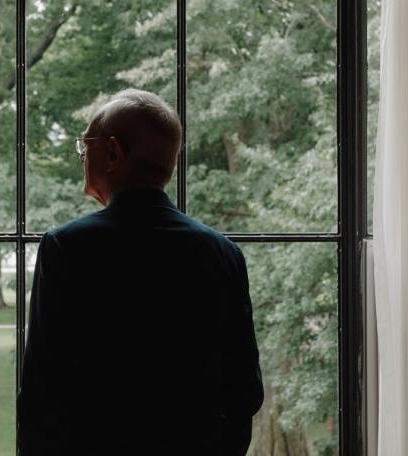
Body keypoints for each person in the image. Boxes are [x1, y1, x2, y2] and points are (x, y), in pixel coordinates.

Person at [16, 88, 263, 455]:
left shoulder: (67, 248)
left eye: (87, 146)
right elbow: (243, 393)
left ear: (113, 152)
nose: (82, 157)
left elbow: (42, 395)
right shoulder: (222, 254)